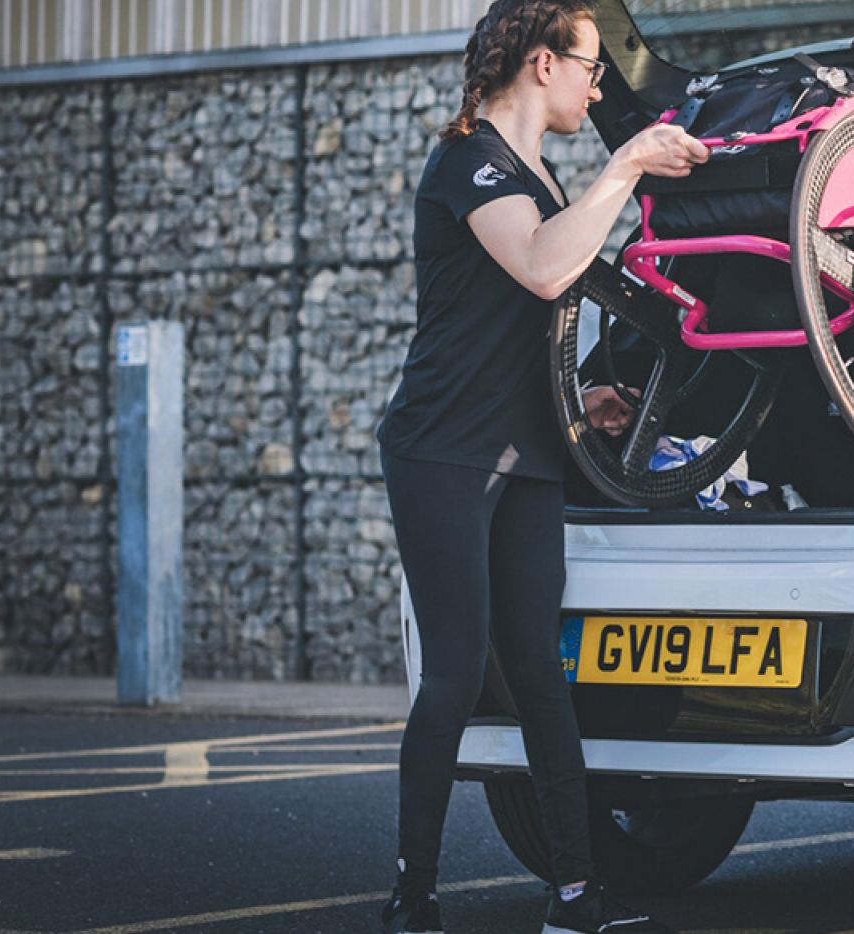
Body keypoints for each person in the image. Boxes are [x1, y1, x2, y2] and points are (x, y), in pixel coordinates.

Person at [374, 1, 709, 932]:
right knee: (451, 677)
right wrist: (629, 163)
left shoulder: (532, 176)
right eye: (591, 65)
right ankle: (413, 898)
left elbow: (534, 325)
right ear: (539, 62)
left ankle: (574, 894)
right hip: (442, 451)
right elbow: (540, 268)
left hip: (524, 454)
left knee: (538, 675)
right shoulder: (470, 160)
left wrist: (583, 407)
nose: (599, 85)